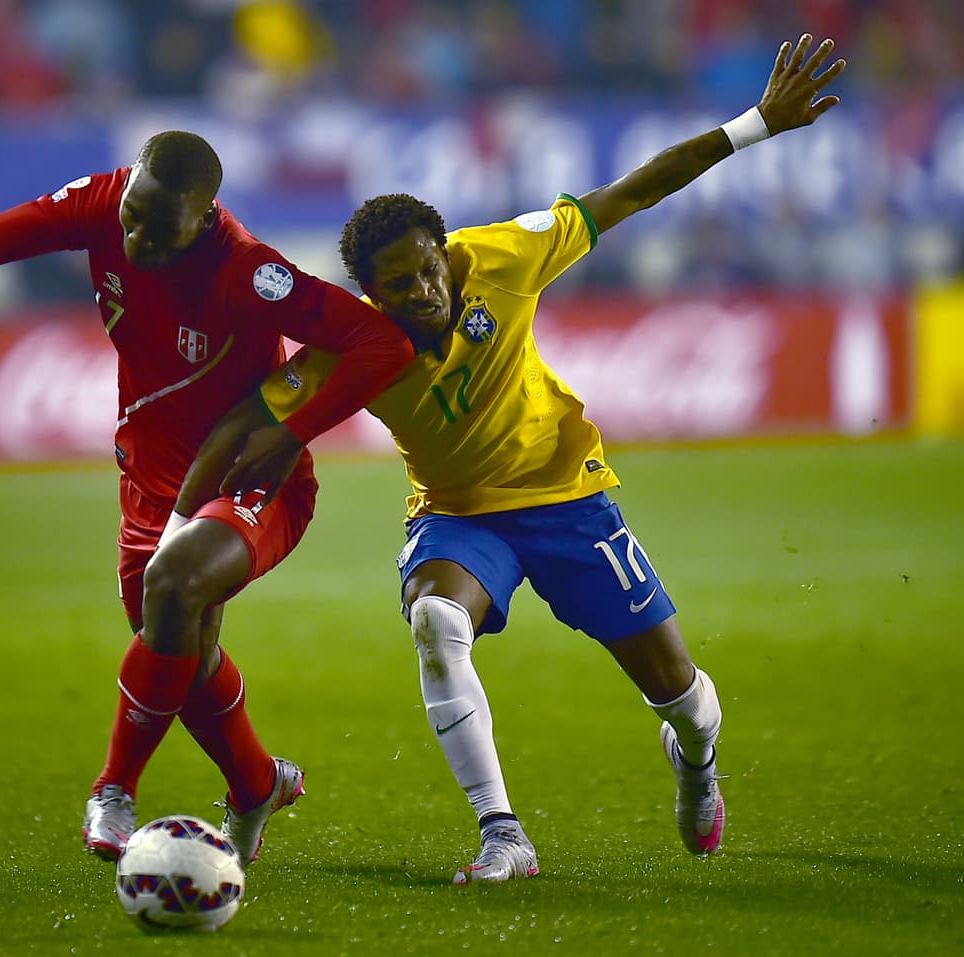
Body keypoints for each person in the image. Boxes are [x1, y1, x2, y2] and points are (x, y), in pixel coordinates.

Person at [172, 36, 846, 882]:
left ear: (445, 252)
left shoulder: (503, 255)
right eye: (399, 286)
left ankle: (696, 755)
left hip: (566, 498)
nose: (424, 292)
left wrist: (756, 126)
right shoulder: (351, 340)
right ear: (371, 294)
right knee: (435, 621)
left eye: (429, 270)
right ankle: (503, 834)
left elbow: (634, 189)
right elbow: (248, 417)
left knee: (682, 696)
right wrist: (178, 530)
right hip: (458, 517)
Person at [0, 130, 415, 865]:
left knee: (174, 587)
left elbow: (382, 343)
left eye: (160, 228)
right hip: (149, 479)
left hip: (248, 479)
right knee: (180, 648)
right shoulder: (101, 203)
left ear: (204, 217)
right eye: (132, 218)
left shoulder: (249, 273)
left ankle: (113, 789)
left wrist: (292, 435)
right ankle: (258, 785)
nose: (136, 239)